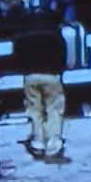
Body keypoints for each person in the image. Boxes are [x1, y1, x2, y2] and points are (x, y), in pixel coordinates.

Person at [19, 18, 69, 162]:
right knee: (54, 109)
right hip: (51, 75)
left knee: (35, 110)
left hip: (31, 76)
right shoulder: (54, 34)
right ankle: (53, 142)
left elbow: (17, 56)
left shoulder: (23, 35)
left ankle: (37, 141)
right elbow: (63, 55)